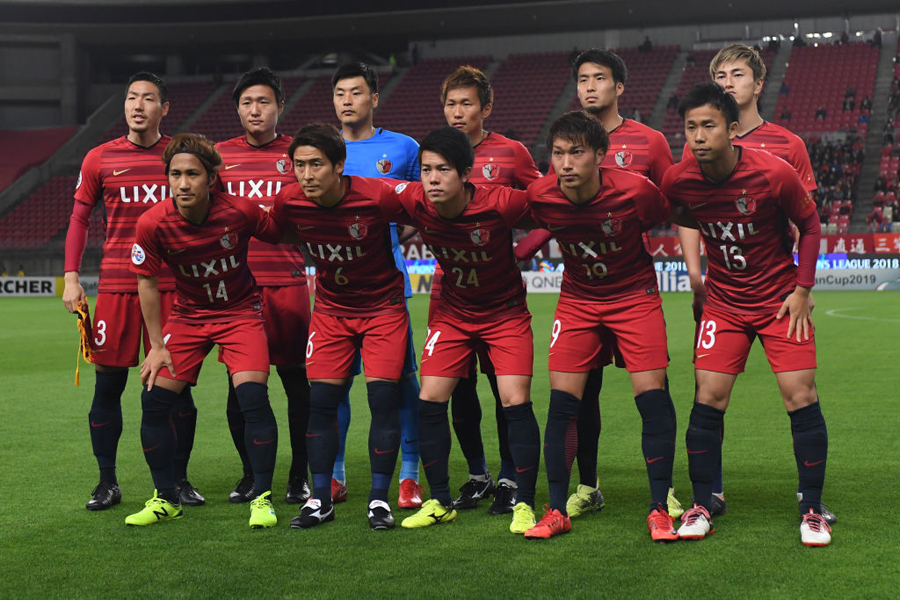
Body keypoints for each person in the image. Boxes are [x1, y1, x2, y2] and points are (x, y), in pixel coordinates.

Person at [662, 82, 831, 547]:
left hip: (779, 300)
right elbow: (686, 216)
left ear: (732, 129)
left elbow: (812, 225)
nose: (698, 136)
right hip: (725, 304)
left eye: (708, 126)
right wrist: (698, 281)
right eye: (691, 127)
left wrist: (803, 288)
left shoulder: (774, 173)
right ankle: (701, 504)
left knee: (800, 395)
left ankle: (812, 509)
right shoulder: (680, 180)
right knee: (708, 397)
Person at [518, 48, 680, 521]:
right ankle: (580, 490)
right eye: (583, 78)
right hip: (580, 296)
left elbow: (663, 210)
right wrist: (517, 255)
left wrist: (694, 272)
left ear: (619, 86)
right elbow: (548, 212)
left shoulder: (646, 152)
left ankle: (663, 496)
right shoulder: (550, 180)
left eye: (599, 78)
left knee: (652, 391)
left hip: (633, 291)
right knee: (574, 397)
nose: (590, 86)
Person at [382, 126, 542, 535]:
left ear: (467, 173)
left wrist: (525, 249)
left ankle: (524, 501)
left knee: (513, 400)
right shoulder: (415, 200)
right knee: (430, 399)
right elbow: (365, 192)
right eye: (426, 169)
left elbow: (550, 207)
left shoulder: (501, 203)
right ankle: (439, 501)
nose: (432, 179)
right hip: (453, 313)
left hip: (504, 314)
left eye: (443, 170)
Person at [62, 72, 202, 512]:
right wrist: (71, 277)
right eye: (130, 97)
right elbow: (80, 220)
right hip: (118, 290)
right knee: (107, 388)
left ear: (165, 108)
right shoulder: (99, 159)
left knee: (175, 390)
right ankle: (107, 482)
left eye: (148, 98)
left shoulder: (181, 156)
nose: (137, 105)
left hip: (173, 291)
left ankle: (178, 480)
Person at [127, 133, 281, 528]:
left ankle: (262, 498)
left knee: (252, 399)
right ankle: (166, 498)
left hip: (241, 314)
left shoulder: (240, 211)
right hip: (188, 317)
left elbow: (283, 231)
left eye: (192, 174)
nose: (182, 183)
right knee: (154, 402)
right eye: (175, 174)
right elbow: (146, 282)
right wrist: (157, 346)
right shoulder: (152, 223)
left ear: (212, 178)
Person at [270, 122, 408, 530]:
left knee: (383, 402)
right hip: (330, 312)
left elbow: (429, 205)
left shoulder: (377, 194)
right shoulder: (290, 201)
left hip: (383, 310)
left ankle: (379, 501)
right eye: (299, 165)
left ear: (340, 165)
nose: (307, 174)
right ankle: (320, 499)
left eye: (316, 165)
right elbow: (267, 228)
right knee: (321, 405)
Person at [439, 65, 542, 515]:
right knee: (456, 388)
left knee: (503, 387)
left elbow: (546, 204)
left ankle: (508, 475)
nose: (457, 112)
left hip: (499, 294)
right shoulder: (435, 151)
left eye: (466, 103)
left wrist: (522, 251)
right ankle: (477, 474)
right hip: (451, 293)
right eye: (450, 104)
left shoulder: (511, 153)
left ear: (486, 107)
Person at [215, 67, 312, 506]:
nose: (256, 110)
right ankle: (252, 474)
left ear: (280, 107)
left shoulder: (298, 154)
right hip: (236, 290)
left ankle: (298, 476)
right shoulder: (217, 158)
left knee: (296, 384)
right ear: (237, 108)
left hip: (288, 284)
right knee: (242, 391)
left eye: (264, 102)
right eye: (247, 102)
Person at [330, 62, 424, 509]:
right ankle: (335, 475)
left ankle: (409, 475)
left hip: (387, 286)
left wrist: (394, 237)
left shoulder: (404, 148)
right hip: (335, 289)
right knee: (335, 385)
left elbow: (422, 207)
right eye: (340, 93)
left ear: (374, 99)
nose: (347, 100)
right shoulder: (320, 149)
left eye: (356, 92)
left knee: (401, 383)